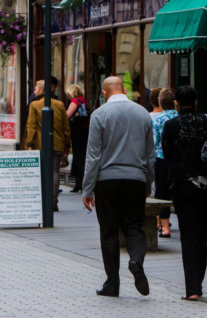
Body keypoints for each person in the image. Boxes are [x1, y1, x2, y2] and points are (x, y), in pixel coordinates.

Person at [82, 76, 154, 298]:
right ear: (123, 89)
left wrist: (87, 188)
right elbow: (149, 154)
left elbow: (93, 156)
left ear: (105, 92)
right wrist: (148, 181)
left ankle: (112, 282)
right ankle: (135, 260)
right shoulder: (143, 113)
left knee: (109, 230)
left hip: (107, 180)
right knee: (134, 225)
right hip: (135, 178)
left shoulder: (99, 115)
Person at [162, 86, 207, 301]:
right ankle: (198, 283)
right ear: (195, 102)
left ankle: (193, 289)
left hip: (183, 185)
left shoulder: (171, 125)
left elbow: (167, 154)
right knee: (202, 236)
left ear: (176, 103)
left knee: (188, 236)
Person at [24, 79, 70, 211]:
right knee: (55, 172)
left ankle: (43, 199)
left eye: (36, 89)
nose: (34, 91)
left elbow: (31, 126)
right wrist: (67, 144)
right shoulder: (60, 105)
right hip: (57, 144)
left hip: (40, 144)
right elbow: (65, 127)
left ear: (42, 90)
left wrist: (29, 143)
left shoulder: (34, 105)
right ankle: (54, 200)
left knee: (42, 172)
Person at [151, 88, 177, 238]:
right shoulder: (179, 117)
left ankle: (165, 227)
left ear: (160, 103)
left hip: (161, 160)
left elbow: (154, 143)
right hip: (178, 161)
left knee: (162, 193)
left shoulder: (158, 120)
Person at [65, 84, 89, 193]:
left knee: (78, 156)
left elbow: (67, 115)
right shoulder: (83, 100)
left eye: (68, 95)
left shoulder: (75, 101)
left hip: (78, 131)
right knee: (82, 156)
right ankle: (79, 183)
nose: (68, 97)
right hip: (85, 131)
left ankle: (79, 183)